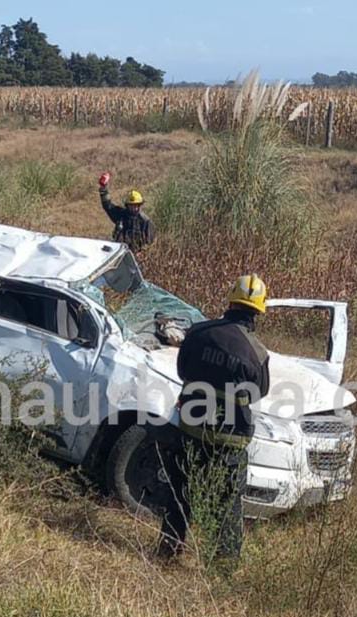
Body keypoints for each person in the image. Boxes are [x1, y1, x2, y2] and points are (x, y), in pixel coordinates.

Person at [159, 274, 271, 561]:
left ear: (230, 303)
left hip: (191, 431)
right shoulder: (257, 353)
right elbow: (259, 392)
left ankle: (168, 552)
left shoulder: (198, 333)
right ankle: (223, 565)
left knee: (180, 493)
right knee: (228, 504)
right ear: (258, 313)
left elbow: (183, 372)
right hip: (230, 442)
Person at [97, 172, 155, 252]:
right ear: (127, 205)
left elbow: (149, 244)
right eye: (131, 205)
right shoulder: (121, 215)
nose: (133, 207)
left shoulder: (145, 222)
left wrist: (141, 254)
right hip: (119, 253)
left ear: (139, 205)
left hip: (137, 256)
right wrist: (103, 189)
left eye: (136, 205)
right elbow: (107, 205)